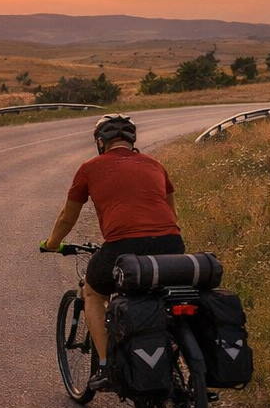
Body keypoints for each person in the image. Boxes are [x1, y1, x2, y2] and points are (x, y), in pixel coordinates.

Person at [39, 114, 184, 391]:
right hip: (171, 243)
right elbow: (172, 213)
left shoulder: (89, 168)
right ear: (132, 140)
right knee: (161, 295)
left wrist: (52, 243)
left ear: (100, 142)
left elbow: (67, 217)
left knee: (94, 294)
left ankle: (107, 367)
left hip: (123, 245)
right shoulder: (155, 164)